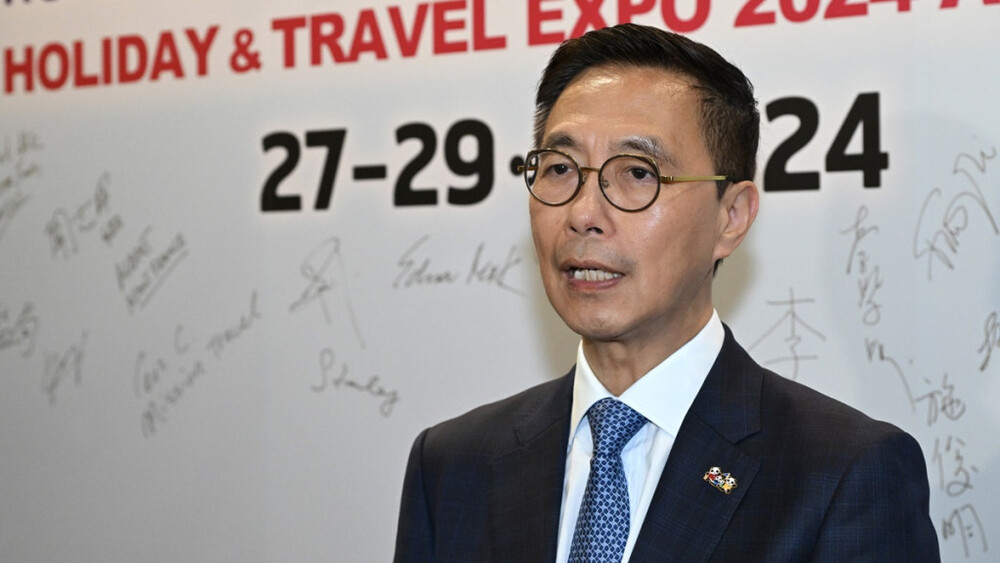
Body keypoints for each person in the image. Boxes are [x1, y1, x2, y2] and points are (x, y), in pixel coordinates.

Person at [394, 23, 939, 562]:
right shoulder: (451, 466)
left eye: (637, 173)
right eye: (560, 168)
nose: (583, 213)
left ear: (731, 216)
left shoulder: (843, 475)